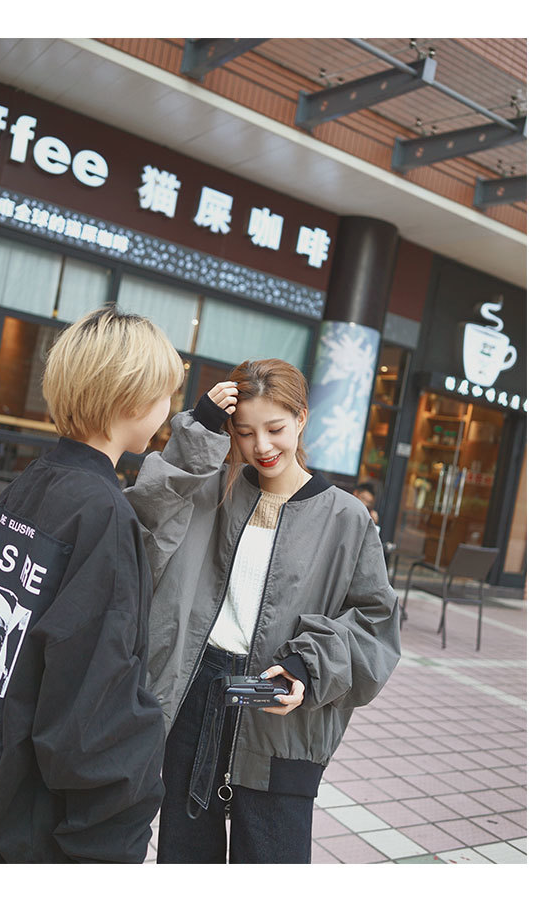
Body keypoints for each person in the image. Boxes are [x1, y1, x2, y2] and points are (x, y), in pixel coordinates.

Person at [126, 358, 400, 864]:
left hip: (281, 707)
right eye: (245, 432)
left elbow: (375, 623)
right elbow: (146, 525)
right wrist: (197, 434)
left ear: (301, 418)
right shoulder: (211, 489)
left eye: (275, 428)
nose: (262, 446)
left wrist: (308, 667)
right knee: (185, 858)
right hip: (194, 693)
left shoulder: (346, 516)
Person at [0, 305, 183, 863]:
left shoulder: (32, 482)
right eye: (165, 394)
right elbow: (93, 702)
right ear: (132, 399)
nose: (168, 410)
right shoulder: (103, 513)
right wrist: (111, 841)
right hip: (34, 828)